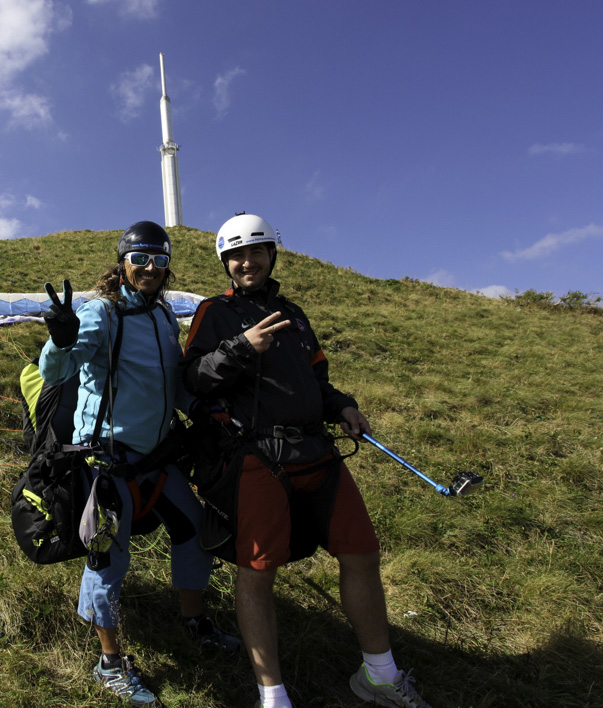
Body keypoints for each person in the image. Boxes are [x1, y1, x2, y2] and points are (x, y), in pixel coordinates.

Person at [181, 213, 430, 708]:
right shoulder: (215, 313)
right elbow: (193, 379)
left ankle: (380, 675)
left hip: (318, 451)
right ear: (225, 262)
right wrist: (240, 348)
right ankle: (273, 697)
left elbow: (317, 376)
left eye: (256, 251)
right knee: (257, 570)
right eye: (236, 255)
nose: (246, 262)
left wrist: (342, 404)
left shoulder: (295, 313)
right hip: (256, 456)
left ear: (273, 254)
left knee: (362, 553)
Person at [39, 221, 238, 707]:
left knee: (196, 532)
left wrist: (205, 413)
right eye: (141, 259)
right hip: (107, 462)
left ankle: (194, 621)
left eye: (160, 260)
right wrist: (60, 341)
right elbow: (59, 370)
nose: (150, 268)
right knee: (109, 559)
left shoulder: (165, 317)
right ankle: (109, 662)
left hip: (158, 456)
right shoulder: (101, 313)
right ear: (123, 262)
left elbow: (174, 381)